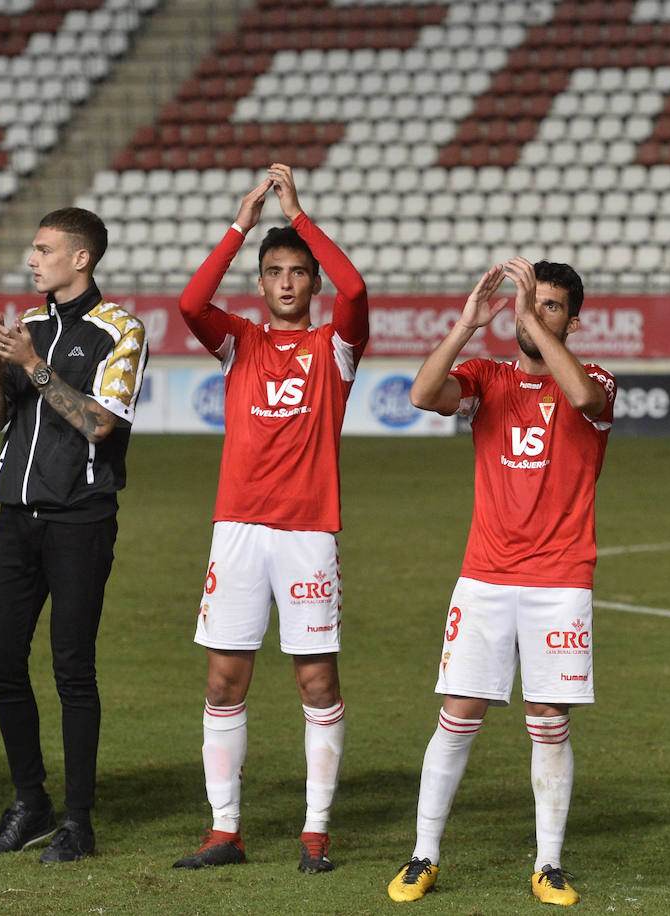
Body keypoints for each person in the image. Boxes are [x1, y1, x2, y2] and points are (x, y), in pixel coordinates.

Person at [387, 257, 616, 907]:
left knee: (549, 720)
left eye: (550, 306)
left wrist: (529, 325)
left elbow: (582, 398)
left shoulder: (595, 377)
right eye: (531, 302)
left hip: (560, 581)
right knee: (458, 715)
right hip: (485, 577)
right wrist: (465, 327)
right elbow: (422, 395)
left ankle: (548, 864)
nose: (535, 313)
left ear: (573, 319)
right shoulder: (486, 378)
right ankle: (423, 854)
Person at [172, 163, 369, 874]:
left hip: (307, 535)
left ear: (311, 283)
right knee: (224, 681)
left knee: (317, 684)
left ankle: (315, 833)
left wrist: (300, 214)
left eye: (298, 271)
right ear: (260, 283)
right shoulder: (240, 343)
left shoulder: (335, 349)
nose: (287, 281)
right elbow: (191, 304)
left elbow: (359, 291)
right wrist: (242, 224)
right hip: (240, 532)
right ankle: (225, 831)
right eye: (275, 270)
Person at [0, 207, 147, 863]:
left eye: (44, 249)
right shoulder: (32, 327)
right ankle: (31, 800)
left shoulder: (120, 330)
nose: (31, 258)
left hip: (81, 519)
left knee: (72, 668)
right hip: (15, 520)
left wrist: (34, 364)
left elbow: (100, 424)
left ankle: (78, 821)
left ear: (81, 258)